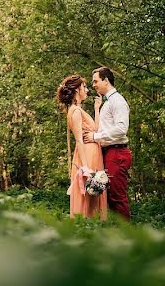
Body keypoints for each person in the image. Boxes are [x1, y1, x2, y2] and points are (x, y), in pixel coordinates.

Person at [83, 66, 132, 220]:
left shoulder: (117, 101)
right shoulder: (107, 103)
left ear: (106, 80)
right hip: (109, 153)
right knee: (110, 197)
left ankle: (127, 236)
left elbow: (121, 129)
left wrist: (96, 137)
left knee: (117, 197)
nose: (93, 85)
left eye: (96, 81)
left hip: (117, 152)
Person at [57, 74, 107, 220]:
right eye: (84, 87)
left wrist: (97, 108)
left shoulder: (80, 110)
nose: (87, 90)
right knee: (88, 196)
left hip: (94, 154)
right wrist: (86, 168)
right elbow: (79, 141)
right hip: (87, 157)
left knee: (94, 196)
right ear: (77, 89)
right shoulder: (75, 111)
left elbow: (96, 130)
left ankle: (94, 228)